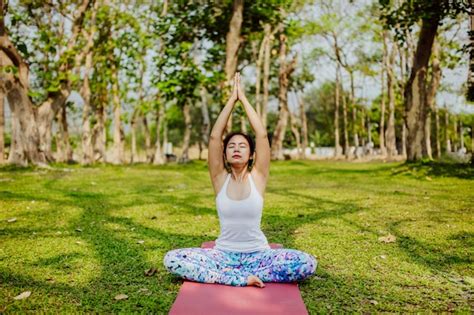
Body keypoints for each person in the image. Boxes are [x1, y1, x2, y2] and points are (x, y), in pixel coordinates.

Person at [163, 73, 317, 287]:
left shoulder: (258, 178)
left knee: (307, 263)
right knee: (172, 259)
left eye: (242, 146)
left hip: (259, 256)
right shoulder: (219, 178)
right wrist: (231, 100)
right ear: (224, 154)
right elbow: (215, 137)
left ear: (252, 154)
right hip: (223, 256)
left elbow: (262, 135)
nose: (236, 149)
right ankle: (236, 278)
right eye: (231, 146)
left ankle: (240, 275)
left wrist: (243, 98)